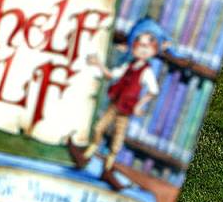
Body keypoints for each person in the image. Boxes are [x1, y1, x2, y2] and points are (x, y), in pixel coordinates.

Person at [68, 19, 168, 190]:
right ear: (132, 44)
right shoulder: (128, 65)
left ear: (155, 49)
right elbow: (111, 75)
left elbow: (153, 91)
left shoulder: (147, 71)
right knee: (99, 128)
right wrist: (99, 64)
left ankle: (107, 169)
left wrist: (139, 105)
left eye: (149, 45)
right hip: (116, 103)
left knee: (117, 140)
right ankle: (87, 155)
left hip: (126, 109)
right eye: (139, 43)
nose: (143, 48)